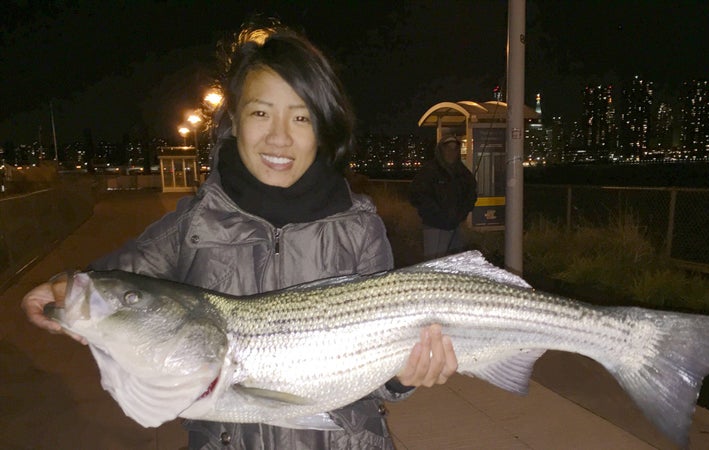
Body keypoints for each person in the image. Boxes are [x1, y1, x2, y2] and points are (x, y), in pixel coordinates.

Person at [21, 19, 457, 450]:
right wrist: (63, 289)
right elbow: (119, 282)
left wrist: (401, 379)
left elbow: (374, 375)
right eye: (261, 112)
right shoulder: (191, 225)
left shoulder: (360, 228)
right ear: (234, 119)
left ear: (323, 128)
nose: (279, 137)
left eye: (301, 117)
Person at [409, 135, 478, 258]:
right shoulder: (429, 170)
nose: (451, 152)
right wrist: (437, 213)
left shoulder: (462, 172)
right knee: (434, 264)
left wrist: (461, 214)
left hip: (455, 226)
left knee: (455, 263)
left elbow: (471, 194)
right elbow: (416, 195)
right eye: (448, 148)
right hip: (434, 226)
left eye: (455, 149)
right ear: (441, 150)